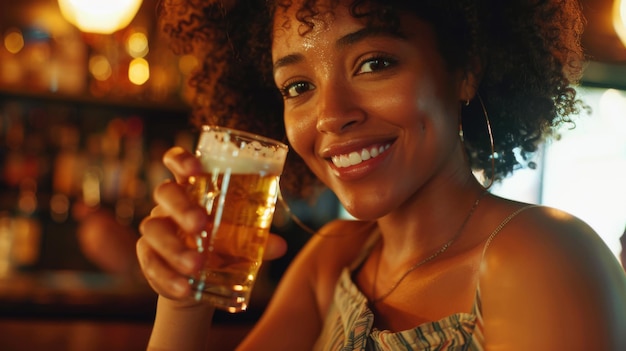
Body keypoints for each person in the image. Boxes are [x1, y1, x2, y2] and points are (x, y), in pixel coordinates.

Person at [136, 0, 626, 350]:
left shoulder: (542, 255)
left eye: (374, 63)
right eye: (298, 85)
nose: (330, 115)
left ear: (464, 69)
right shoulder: (333, 260)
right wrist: (183, 302)